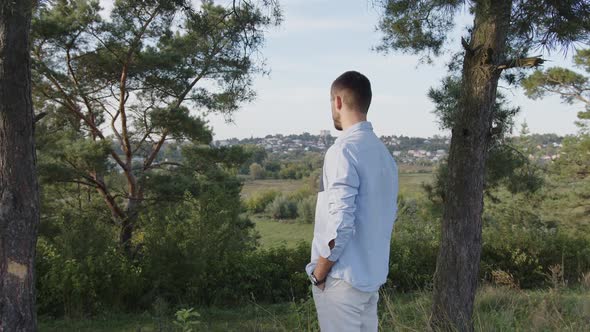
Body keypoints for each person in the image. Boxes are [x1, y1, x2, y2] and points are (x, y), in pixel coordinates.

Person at [306, 71, 398, 331]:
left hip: (341, 282)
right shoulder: (384, 155)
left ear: (337, 101)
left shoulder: (343, 150)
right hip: (370, 281)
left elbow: (340, 223)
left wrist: (319, 273)